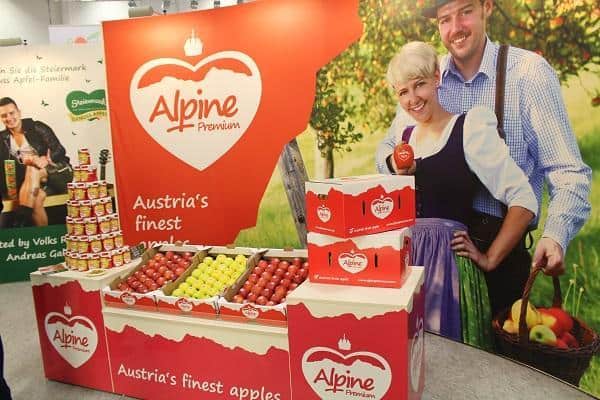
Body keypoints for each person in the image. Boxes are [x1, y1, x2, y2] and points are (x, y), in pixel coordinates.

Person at [378, 0, 592, 318]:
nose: (456, 28)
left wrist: (555, 235)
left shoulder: (528, 73)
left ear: (487, 7)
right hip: (435, 254)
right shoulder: (424, 77)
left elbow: (567, 170)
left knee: (498, 345)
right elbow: (388, 148)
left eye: (465, 12)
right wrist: (396, 164)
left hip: (501, 249)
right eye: (445, 19)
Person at [376, 41, 537, 348]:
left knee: (448, 358)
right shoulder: (404, 137)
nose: (412, 99)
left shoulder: (468, 128)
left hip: (446, 268)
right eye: (403, 92)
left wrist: (489, 258)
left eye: (419, 85)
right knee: (404, 357)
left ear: (437, 77)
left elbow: (524, 200)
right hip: (406, 266)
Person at [0, 97, 72, 227]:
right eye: (4, 115)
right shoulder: (3, 138)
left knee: (32, 167)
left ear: (19, 112)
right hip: (33, 184)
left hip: (58, 172)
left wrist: (46, 159)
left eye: (12, 113)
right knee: (36, 199)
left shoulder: (36, 127)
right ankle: (43, 235)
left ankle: (21, 217)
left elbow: (60, 150)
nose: (9, 118)